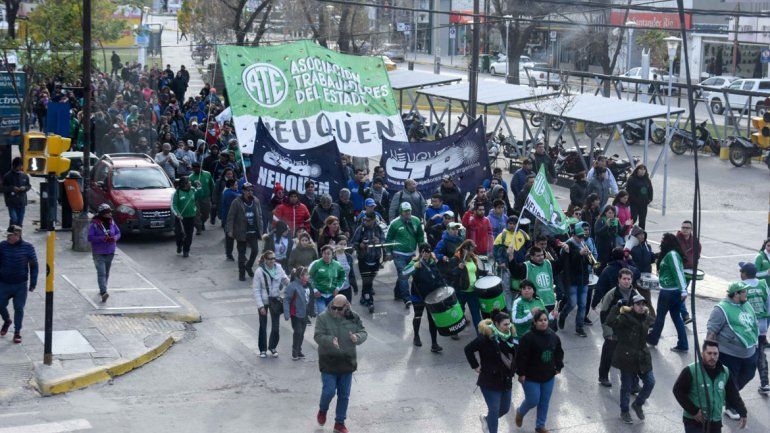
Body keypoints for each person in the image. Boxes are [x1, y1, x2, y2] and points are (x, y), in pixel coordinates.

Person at [706, 279, 759, 420]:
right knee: (731, 380)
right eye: (744, 291)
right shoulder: (720, 309)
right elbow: (711, 332)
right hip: (729, 353)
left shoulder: (746, 304)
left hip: (750, 351)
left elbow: (754, 322)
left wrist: (757, 342)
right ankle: (730, 405)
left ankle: (727, 396)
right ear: (736, 294)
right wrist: (707, 353)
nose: (746, 293)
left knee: (749, 374)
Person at [314, 294, 367, 433]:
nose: (336, 311)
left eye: (339, 309)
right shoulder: (323, 318)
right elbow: (318, 336)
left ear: (346, 306)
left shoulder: (353, 317)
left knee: (344, 395)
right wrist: (330, 340)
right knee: (329, 391)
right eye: (333, 307)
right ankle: (323, 410)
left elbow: (363, 331)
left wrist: (357, 337)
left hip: (347, 362)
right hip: (328, 361)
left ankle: (339, 422)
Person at [673, 340, 748, 433]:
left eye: (715, 353)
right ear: (702, 353)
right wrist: (694, 411)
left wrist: (742, 411)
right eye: (709, 353)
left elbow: (733, 394)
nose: (712, 357)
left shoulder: (725, 372)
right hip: (695, 421)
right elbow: (677, 390)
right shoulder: (691, 370)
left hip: (715, 421)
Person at [464, 310, 517, 433]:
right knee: (494, 409)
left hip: (506, 380)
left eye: (509, 324)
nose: (508, 327)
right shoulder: (485, 338)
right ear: (496, 324)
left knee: (505, 408)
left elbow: (515, 355)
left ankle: (487, 420)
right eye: (505, 324)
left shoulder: (511, 337)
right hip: (489, 381)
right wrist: (475, 366)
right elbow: (468, 349)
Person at [607, 293, 656, 424]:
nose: (641, 307)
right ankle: (624, 411)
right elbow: (610, 321)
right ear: (632, 306)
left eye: (643, 304)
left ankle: (638, 404)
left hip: (642, 357)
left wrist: (648, 312)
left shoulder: (646, 318)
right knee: (626, 387)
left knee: (650, 382)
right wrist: (617, 307)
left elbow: (653, 321)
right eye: (638, 304)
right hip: (627, 357)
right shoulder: (625, 318)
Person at [514, 310, 564, 433]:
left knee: (544, 402)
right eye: (540, 320)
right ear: (535, 322)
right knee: (533, 400)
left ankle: (540, 426)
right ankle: (520, 412)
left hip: (548, 376)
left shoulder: (553, 336)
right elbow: (521, 357)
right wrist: (521, 373)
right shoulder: (527, 337)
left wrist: (558, 366)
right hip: (531, 377)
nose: (543, 322)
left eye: (545, 320)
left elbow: (558, 352)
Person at [646, 233, 689, 352]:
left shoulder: (672, 255)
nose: (661, 242)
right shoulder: (671, 254)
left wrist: (683, 290)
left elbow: (678, 272)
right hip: (673, 292)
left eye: (663, 240)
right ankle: (683, 344)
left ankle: (653, 338)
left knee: (660, 316)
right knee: (676, 317)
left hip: (669, 292)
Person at [597, 268, 640, 387]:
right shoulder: (612, 294)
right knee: (608, 354)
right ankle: (603, 376)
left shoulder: (635, 294)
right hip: (613, 331)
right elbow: (604, 313)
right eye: (624, 279)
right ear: (619, 279)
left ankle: (633, 383)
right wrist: (608, 333)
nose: (626, 281)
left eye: (629, 279)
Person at [0, 226, 38, 344]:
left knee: (19, 308)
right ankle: (7, 320)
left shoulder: (28, 247)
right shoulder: (2, 246)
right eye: (7, 235)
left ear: (17, 235)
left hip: (20, 285)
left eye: (10, 235)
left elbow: (34, 266)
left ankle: (17, 332)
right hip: (4, 283)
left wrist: (33, 282)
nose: (8, 237)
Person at [737, 262, 770, 394]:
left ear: (744, 274)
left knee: (741, 355)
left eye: (741, 271)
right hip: (761, 326)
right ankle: (765, 383)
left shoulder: (741, 286)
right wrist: (765, 324)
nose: (740, 273)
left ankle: (735, 385)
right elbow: (769, 304)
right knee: (761, 353)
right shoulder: (763, 284)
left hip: (746, 327)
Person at [403, 244, 444, 352]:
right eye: (424, 251)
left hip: (431, 296)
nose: (426, 253)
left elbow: (438, 277)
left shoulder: (432, 262)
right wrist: (414, 266)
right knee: (418, 316)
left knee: (432, 320)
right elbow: (404, 273)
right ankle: (416, 336)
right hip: (418, 296)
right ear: (420, 252)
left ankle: (434, 344)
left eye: (428, 251)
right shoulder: (415, 262)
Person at [386, 202, 425, 307]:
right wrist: (388, 252)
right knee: (404, 274)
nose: (408, 212)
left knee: (405, 275)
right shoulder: (395, 223)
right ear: (401, 211)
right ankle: (407, 298)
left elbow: (420, 236)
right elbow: (388, 238)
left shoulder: (416, 221)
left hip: (412, 254)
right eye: (405, 211)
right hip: (399, 254)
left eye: (409, 210)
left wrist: (423, 250)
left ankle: (397, 293)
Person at [253, 250, 289, 358]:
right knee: (263, 326)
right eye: (270, 259)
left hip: (275, 300)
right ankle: (262, 349)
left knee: (276, 326)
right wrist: (260, 306)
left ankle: (273, 347)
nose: (273, 260)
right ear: (265, 259)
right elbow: (256, 290)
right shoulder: (259, 271)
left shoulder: (278, 267)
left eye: (274, 258)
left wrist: (293, 283)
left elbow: (285, 280)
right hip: (264, 301)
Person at [559, 225, 591, 337]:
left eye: (583, 236)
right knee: (572, 303)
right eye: (579, 237)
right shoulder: (567, 245)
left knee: (582, 305)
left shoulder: (583, 244)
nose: (581, 239)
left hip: (584, 280)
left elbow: (589, 263)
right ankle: (562, 315)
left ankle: (579, 327)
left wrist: (588, 257)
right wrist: (579, 254)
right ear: (573, 235)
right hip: (572, 280)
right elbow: (567, 263)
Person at [227, 183, 263, 281]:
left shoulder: (256, 201)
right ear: (243, 191)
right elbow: (231, 217)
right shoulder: (236, 202)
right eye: (248, 190)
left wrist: (261, 230)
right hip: (241, 232)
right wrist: (230, 230)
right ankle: (241, 273)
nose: (250, 192)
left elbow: (259, 216)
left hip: (253, 231)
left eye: (251, 190)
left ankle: (249, 266)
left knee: (255, 250)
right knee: (241, 254)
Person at [450, 239, 486, 331]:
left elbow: (477, 271)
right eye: (471, 249)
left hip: (473, 291)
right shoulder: (456, 259)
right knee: (459, 313)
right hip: (461, 292)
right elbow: (451, 274)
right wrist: (458, 268)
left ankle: (480, 336)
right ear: (465, 249)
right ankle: (455, 331)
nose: (473, 251)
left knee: (476, 315)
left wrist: (486, 273)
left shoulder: (473, 257)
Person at [87, 204, 121, 303]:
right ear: (103, 214)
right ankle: (103, 292)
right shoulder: (94, 224)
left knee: (106, 272)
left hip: (110, 251)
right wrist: (103, 238)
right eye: (108, 212)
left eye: (110, 212)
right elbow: (90, 237)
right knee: (101, 273)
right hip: (98, 252)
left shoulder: (112, 222)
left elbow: (118, 233)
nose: (110, 214)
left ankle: (103, 287)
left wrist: (114, 238)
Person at [351, 213, 383, 313]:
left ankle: (364, 297)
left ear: (374, 220)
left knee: (369, 280)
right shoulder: (360, 229)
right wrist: (359, 245)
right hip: (363, 259)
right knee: (367, 281)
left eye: (368, 220)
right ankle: (370, 302)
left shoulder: (378, 228)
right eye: (364, 220)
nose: (365, 222)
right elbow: (353, 243)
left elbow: (385, 240)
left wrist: (379, 241)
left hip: (376, 258)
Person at [284, 266, 314, 360]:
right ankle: (295, 352)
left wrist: (312, 311)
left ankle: (299, 350)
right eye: (306, 274)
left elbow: (311, 298)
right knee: (298, 332)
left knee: (302, 333)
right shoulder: (292, 286)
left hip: (304, 314)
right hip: (295, 314)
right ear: (301, 276)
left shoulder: (308, 284)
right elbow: (286, 300)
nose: (308, 276)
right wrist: (287, 313)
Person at [309, 245, 347, 314]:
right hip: (320, 295)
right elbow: (310, 278)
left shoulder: (337, 265)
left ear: (333, 254)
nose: (326, 255)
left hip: (332, 295)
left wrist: (337, 288)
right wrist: (315, 290)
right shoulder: (316, 264)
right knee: (322, 315)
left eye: (328, 253)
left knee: (332, 316)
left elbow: (343, 277)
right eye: (324, 253)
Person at [677, 220, 701, 324]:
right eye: (683, 227)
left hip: (689, 272)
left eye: (687, 228)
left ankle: (677, 311)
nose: (685, 230)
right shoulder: (676, 240)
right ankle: (685, 315)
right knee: (682, 292)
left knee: (680, 292)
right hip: (678, 271)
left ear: (691, 229)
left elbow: (698, 255)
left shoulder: (695, 242)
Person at [171, 176, 198, 257]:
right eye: (189, 182)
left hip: (191, 216)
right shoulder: (177, 193)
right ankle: (179, 245)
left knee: (189, 234)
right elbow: (173, 205)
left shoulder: (193, 189)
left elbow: (199, 195)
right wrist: (178, 214)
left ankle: (186, 250)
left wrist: (200, 187)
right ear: (184, 184)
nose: (190, 183)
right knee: (179, 234)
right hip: (181, 218)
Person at [3, 158, 31, 229]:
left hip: (22, 202)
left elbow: (28, 186)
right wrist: (12, 188)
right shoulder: (7, 176)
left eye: (20, 166)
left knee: (20, 221)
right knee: (14, 219)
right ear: (14, 166)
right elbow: (3, 188)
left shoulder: (24, 176)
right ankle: (11, 233)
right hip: (11, 202)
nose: (20, 167)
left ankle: (18, 237)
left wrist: (24, 188)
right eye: (18, 166)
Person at [188, 161, 214, 235]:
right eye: (194, 168)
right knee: (196, 214)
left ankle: (202, 222)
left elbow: (212, 185)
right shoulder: (190, 177)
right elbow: (189, 189)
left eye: (198, 167)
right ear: (192, 169)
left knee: (206, 213)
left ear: (200, 167)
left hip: (206, 197)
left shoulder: (207, 174)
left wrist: (213, 196)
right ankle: (198, 228)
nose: (197, 169)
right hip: (195, 198)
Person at [220, 178, 240, 260]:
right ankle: (229, 254)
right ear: (231, 186)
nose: (237, 186)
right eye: (235, 185)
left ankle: (233, 254)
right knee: (230, 238)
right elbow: (241, 196)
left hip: (232, 219)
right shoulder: (230, 194)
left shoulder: (228, 191)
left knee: (235, 237)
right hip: (230, 219)